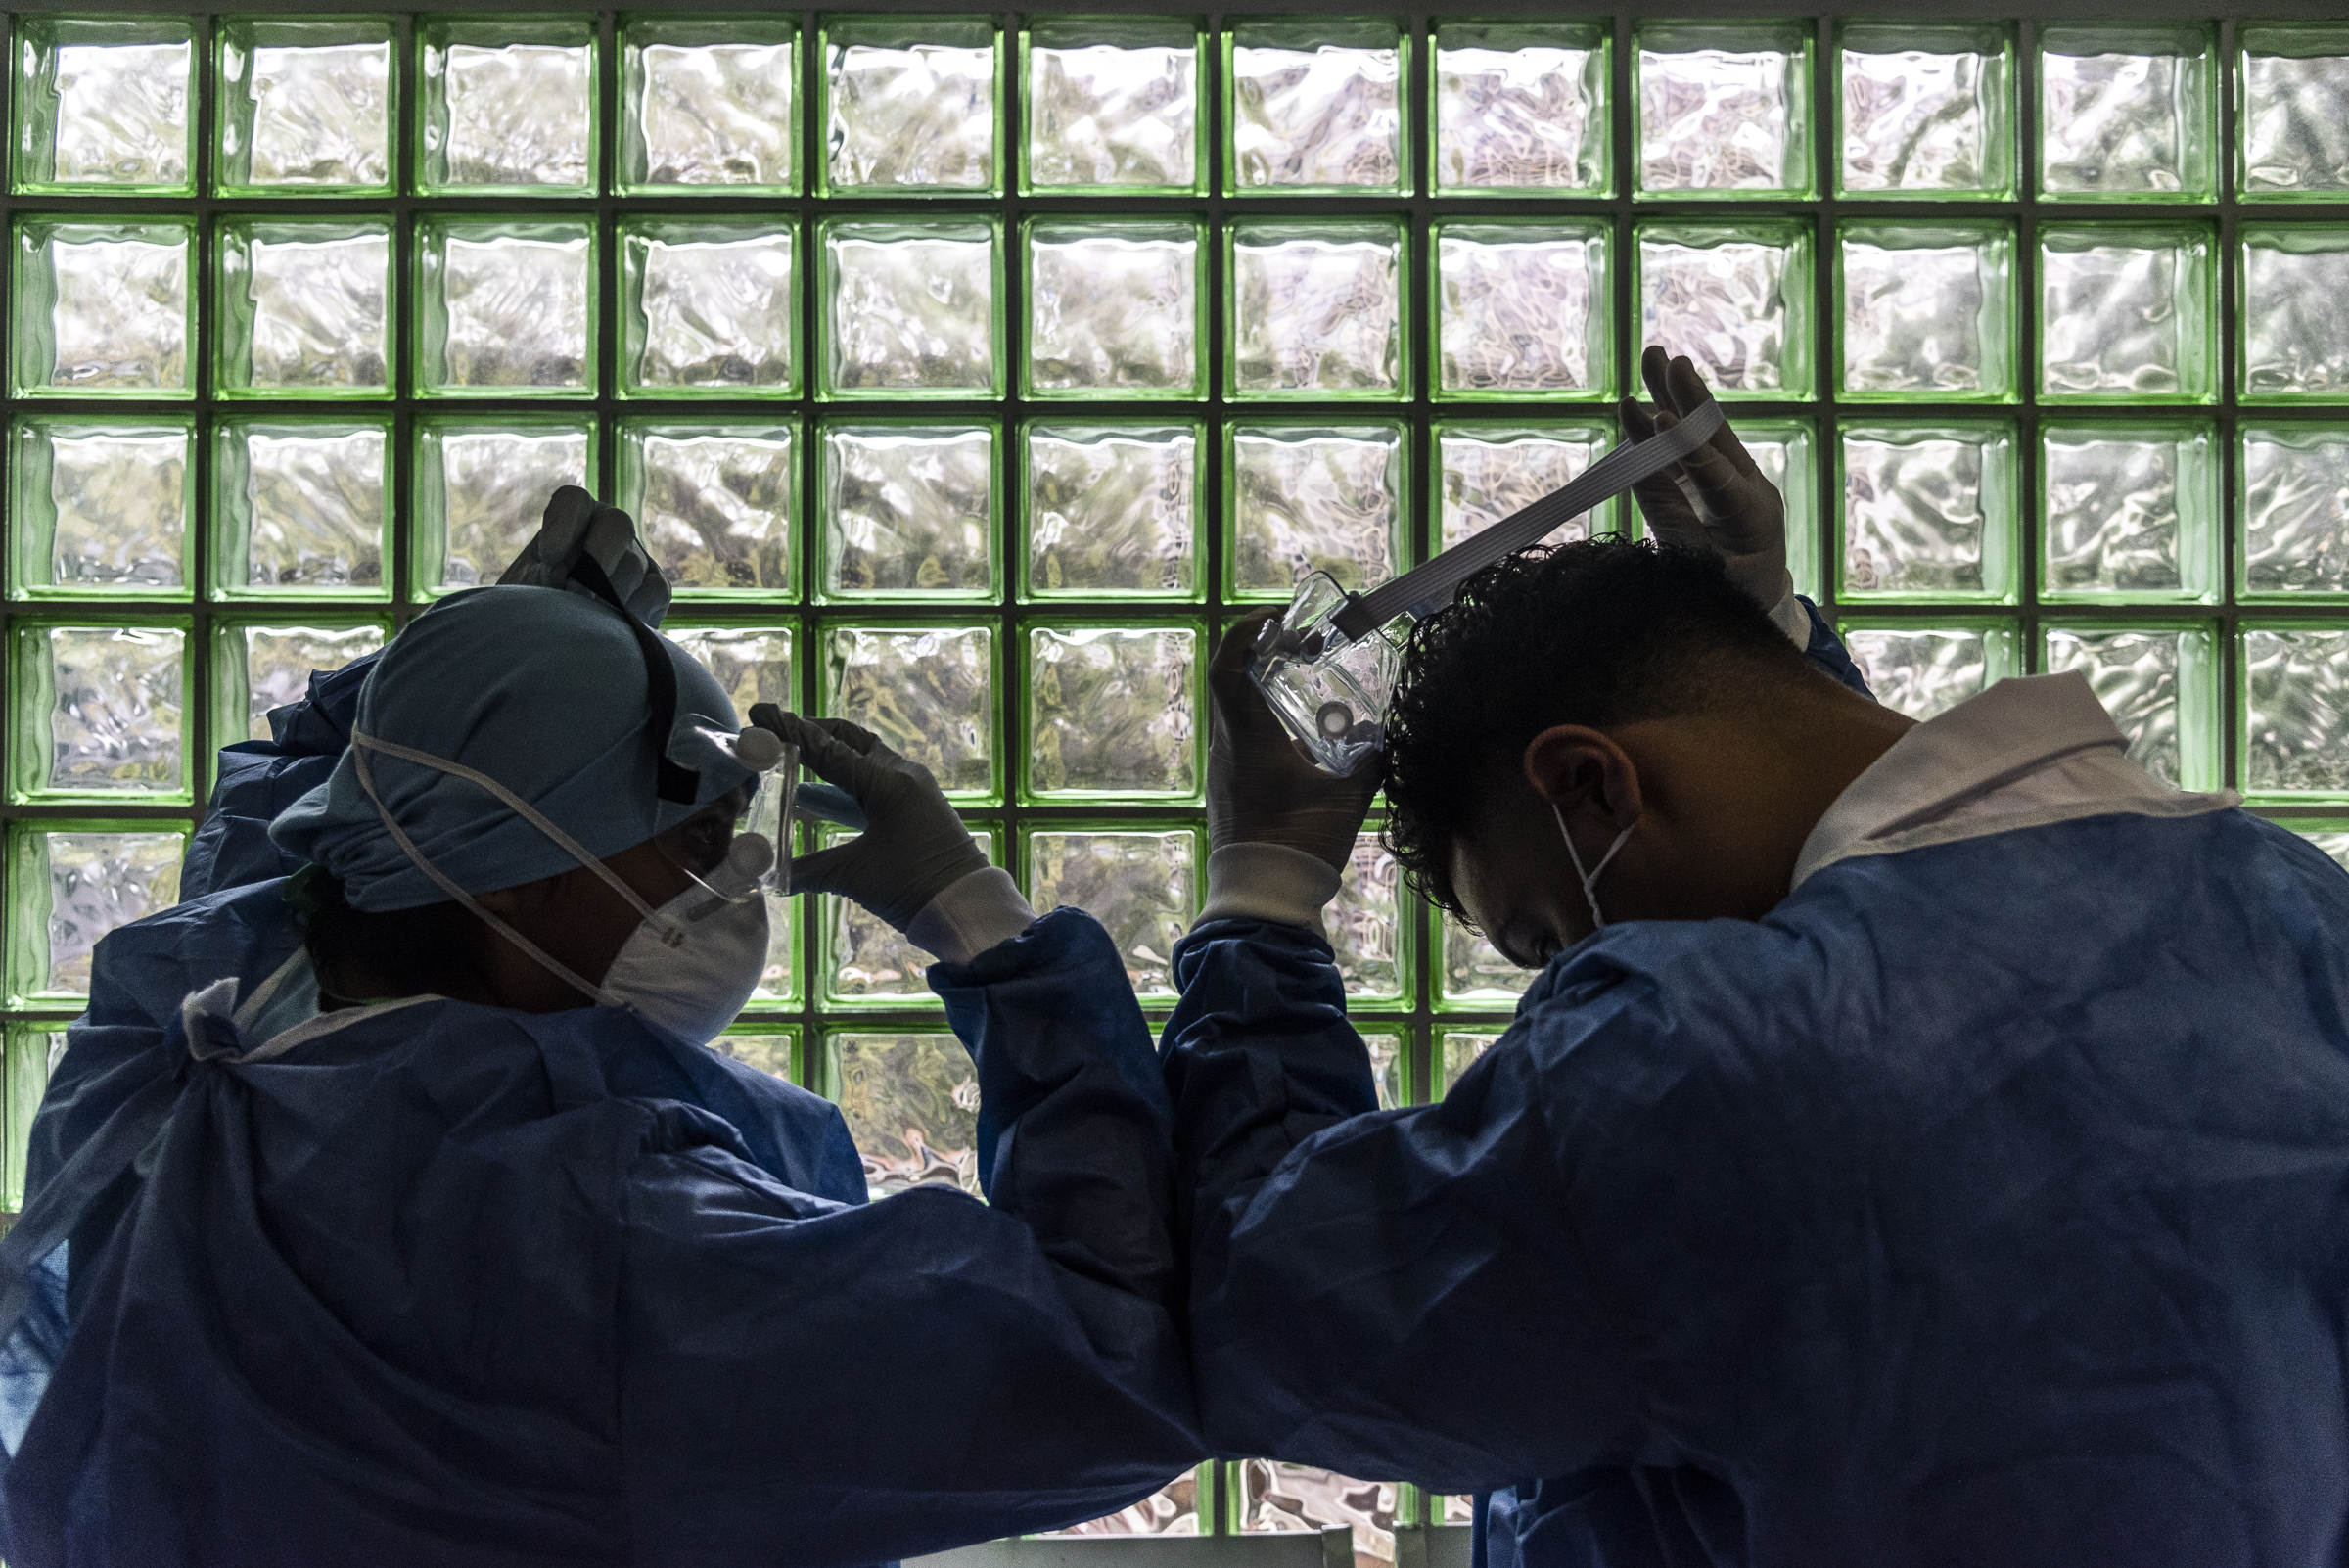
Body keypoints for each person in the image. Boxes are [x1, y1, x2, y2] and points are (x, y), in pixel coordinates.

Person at [1163, 349, 2349, 1566]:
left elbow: (1261, 1306)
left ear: (1589, 784)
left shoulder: (1694, 1059)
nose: (1568, 977)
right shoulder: (2297, 908)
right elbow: (1922, 903)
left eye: (1546, 936)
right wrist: (1771, 640)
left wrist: (1263, 895)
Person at [0, 491, 1197, 1566]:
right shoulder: (611, 1244)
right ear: (517, 880)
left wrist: (474, 669)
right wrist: (985, 925)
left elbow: (303, 834)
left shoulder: (179, 1036)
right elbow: (1107, 1353)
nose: (737, 884)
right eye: (697, 843)